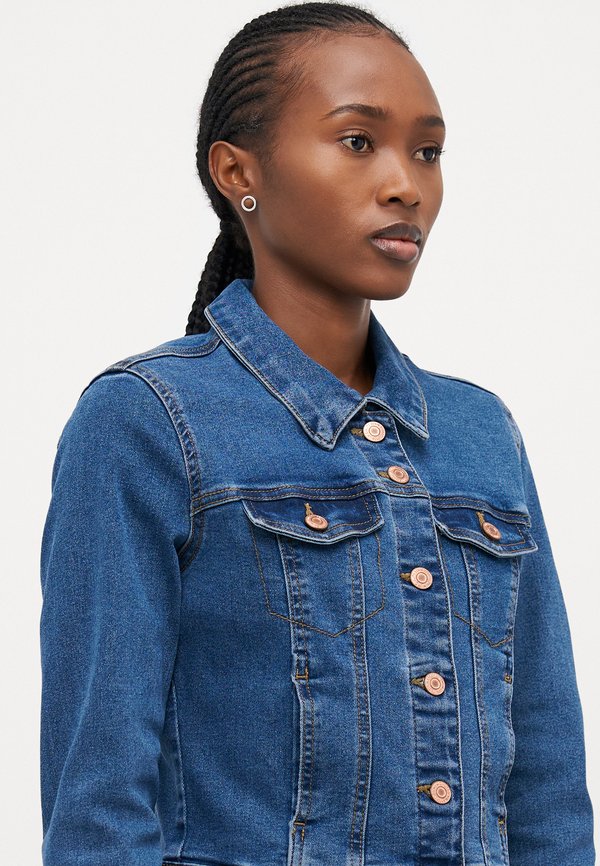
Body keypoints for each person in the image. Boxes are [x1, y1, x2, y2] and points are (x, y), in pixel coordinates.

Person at [39, 3, 595, 865]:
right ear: (238, 171)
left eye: (428, 151)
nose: (407, 185)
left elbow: (548, 788)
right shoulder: (145, 421)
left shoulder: (481, 432)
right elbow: (99, 804)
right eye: (358, 141)